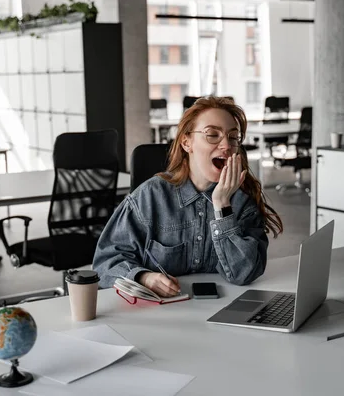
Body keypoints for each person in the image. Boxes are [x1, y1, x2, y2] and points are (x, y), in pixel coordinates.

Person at [93, 96, 283, 297]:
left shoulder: (242, 201)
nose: (226, 145)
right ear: (186, 142)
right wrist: (143, 277)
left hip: (222, 312)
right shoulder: (149, 197)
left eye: (233, 137)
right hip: (160, 315)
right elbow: (105, 263)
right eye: (212, 134)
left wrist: (222, 206)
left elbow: (245, 273)